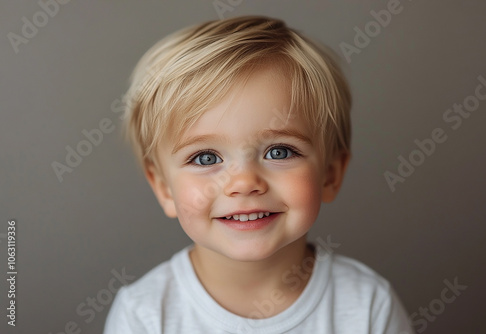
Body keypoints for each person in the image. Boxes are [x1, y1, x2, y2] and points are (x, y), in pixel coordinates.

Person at [103, 15, 414, 333]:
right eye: (206, 157)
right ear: (164, 188)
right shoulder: (143, 315)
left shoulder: (369, 307)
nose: (244, 183)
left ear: (330, 175)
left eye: (279, 152)